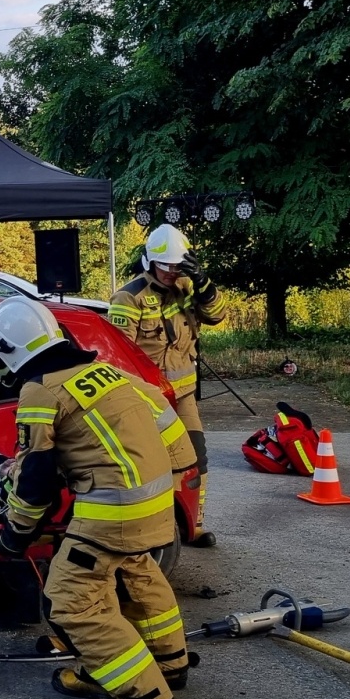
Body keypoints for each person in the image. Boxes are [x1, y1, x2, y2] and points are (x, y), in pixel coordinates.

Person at [0, 296, 187, 699]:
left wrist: (14, 537)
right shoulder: (107, 372)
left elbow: (36, 480)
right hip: (154, 504)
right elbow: (169, 425)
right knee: (137, 575)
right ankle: (168, 664)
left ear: (5, 350)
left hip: (112, 513)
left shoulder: (40, 389)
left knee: (71, 600)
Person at [108, 223, 223, 547]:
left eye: (177, 265)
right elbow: (119, 357)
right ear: (150, 261)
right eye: (166, 265)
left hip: (183, 394)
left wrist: (205, 285)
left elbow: (218, 315)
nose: (172, 272)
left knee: (196, 457)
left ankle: (194, 526)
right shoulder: (128, 298)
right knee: (151, 465)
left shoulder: (188, 286)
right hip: (148, 398)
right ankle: (152, 530)